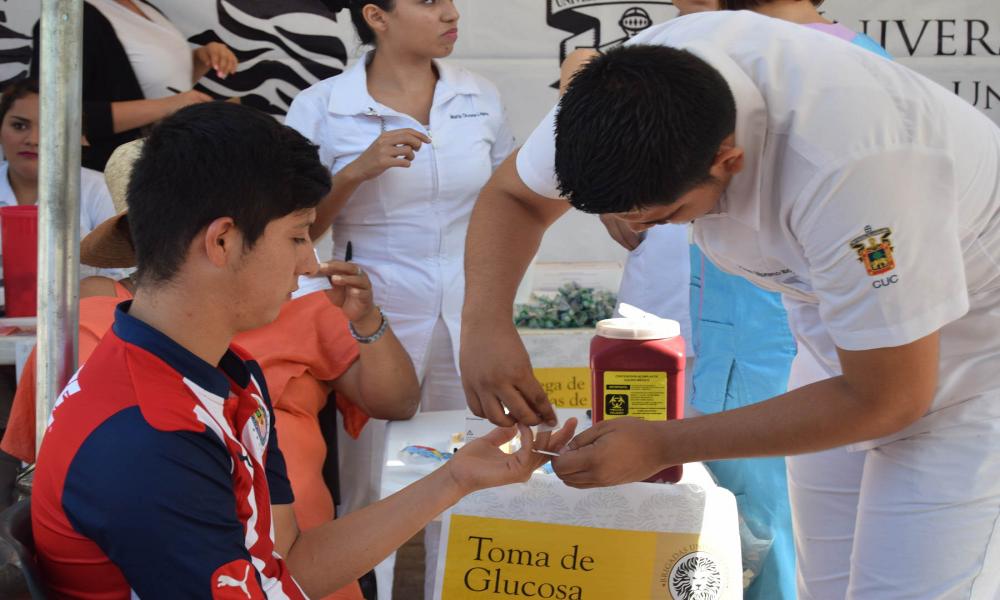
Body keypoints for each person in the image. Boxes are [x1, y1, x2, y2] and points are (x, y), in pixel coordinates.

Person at [460, 11, 1000, 599]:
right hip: (841, 343)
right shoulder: (635, 85)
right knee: (829, 585)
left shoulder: (856, 170)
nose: (638, 229)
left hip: (970, 362)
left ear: (728, 161)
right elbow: (516, 195)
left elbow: (888, 397)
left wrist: (665, 443)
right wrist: (485, 325)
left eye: (662, 218)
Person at [30, 102, 574, 599]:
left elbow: (287, 561)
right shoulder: (147, 437)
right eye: (297, 236)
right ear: (221, 242)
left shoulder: (224, 370)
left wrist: (457, 478)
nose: (310, 264)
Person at [286, 0, 516, 414]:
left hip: (470, 316)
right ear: (377, 17)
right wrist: (355, 172)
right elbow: (292, 233)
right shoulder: (319, 106)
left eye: (449, 1)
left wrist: (496, 309)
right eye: (429, 2)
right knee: (371, 462)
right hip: (367, 314)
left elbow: (510, 205)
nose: (451, 13)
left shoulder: (479, 94)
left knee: (465, 445)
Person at [30, 0, 238, 171]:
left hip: (165, 163)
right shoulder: (71, 17)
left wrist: (200, 61)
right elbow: (57, 116)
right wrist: (173, 105)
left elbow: (152, 87)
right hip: (115, 172)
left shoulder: (146, 8)